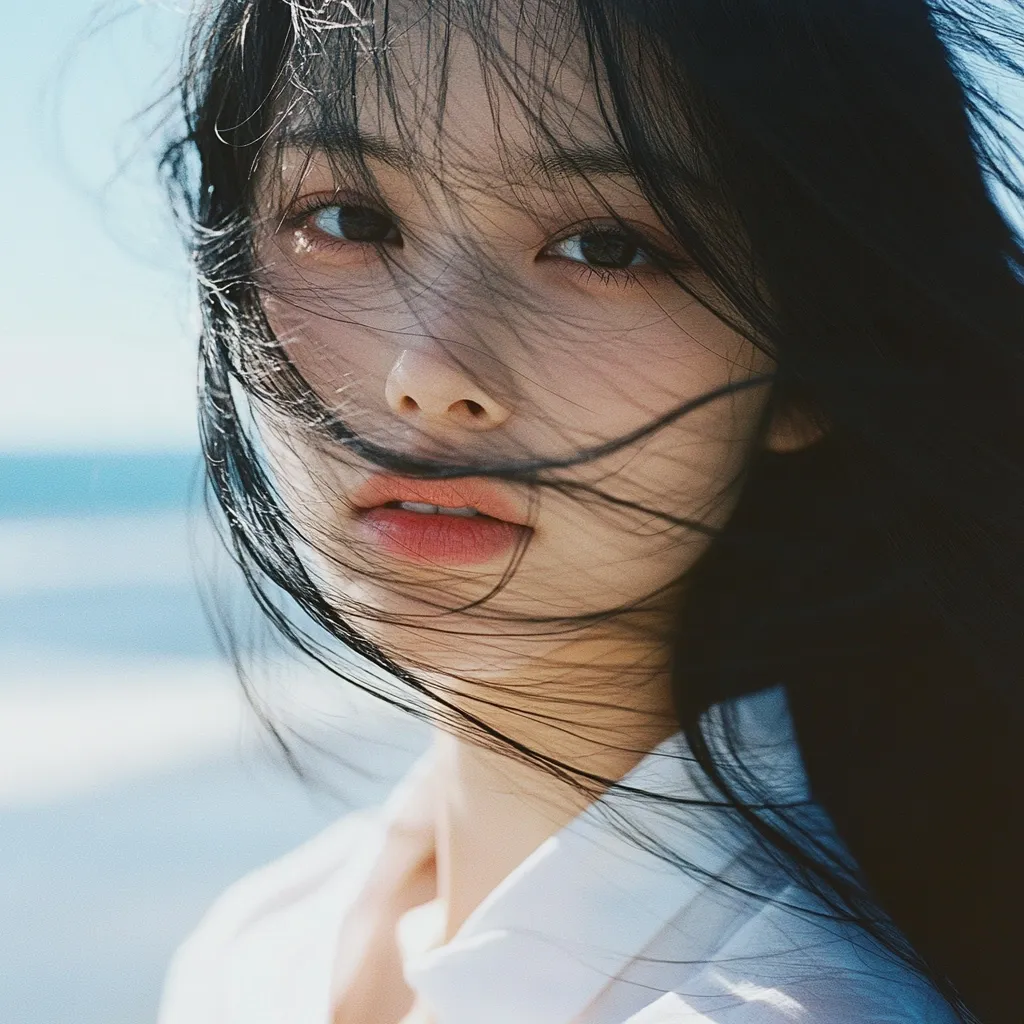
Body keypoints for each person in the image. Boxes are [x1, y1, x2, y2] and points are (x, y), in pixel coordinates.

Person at [156, 1, 1024, 1021]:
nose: (428, 372)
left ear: (809, 360)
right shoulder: (259, 946)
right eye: (348, 220)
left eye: (605, 246)